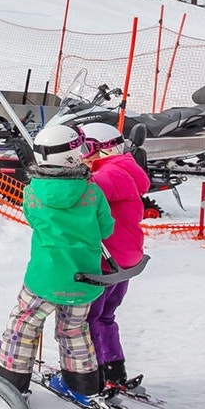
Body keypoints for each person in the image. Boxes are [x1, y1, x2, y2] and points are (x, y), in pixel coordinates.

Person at [0, 125, 114, 401]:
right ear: (71, 156)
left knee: (24, 323)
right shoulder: (92, 193)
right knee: (73, 329)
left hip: (43, 278)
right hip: (84, 277)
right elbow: (106, 229)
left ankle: (12, 380)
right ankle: (84, 384)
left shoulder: (33, 192)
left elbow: (33, 220)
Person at [78, 122, 151, 394]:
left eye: (85, 148)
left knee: (91, 319)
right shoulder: (126, 168)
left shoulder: (110, 173)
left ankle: (92, 376)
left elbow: (82, 196)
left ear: (102, 148)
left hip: (107, 260)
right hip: (124, 257)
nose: (81, 154)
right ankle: (114, 369)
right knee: (106, 316)